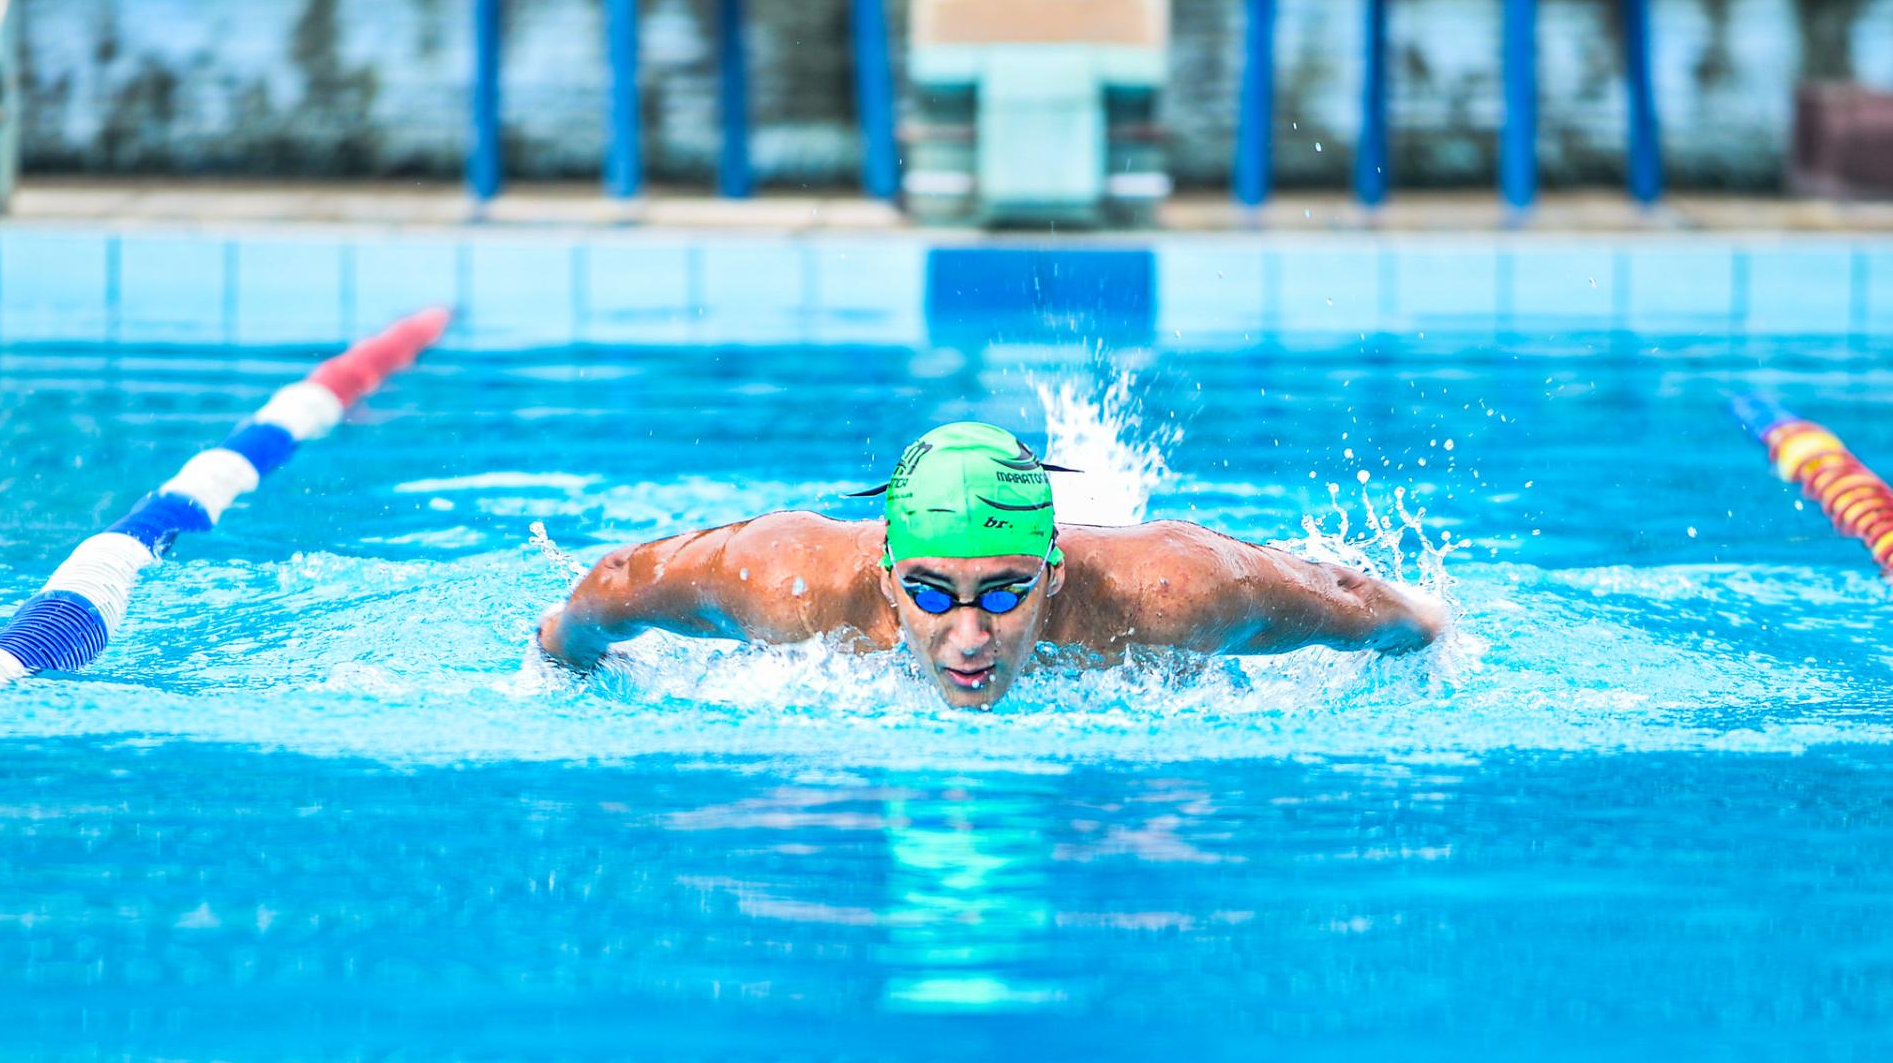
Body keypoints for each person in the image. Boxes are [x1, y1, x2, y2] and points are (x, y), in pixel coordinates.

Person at [538, 422, 1447, 709]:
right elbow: (615, 586)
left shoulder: (1171, 592)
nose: (969, 636)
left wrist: (1430, 634)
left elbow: (1366, 602)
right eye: (932, 591)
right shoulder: (791, 582)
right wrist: (564, 651)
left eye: (1006, 590)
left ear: (1052, 572)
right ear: (889, 575)